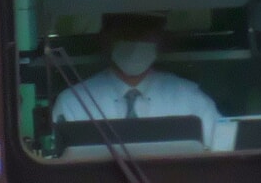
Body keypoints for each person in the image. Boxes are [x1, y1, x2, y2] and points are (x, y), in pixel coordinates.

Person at [53, 12, 221, 146]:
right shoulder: (73, 104)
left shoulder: (192, 101)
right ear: (105, 37)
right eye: (125, 31)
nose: (135, 39)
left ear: (162, 40)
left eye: (145, 31)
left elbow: (219, 158)